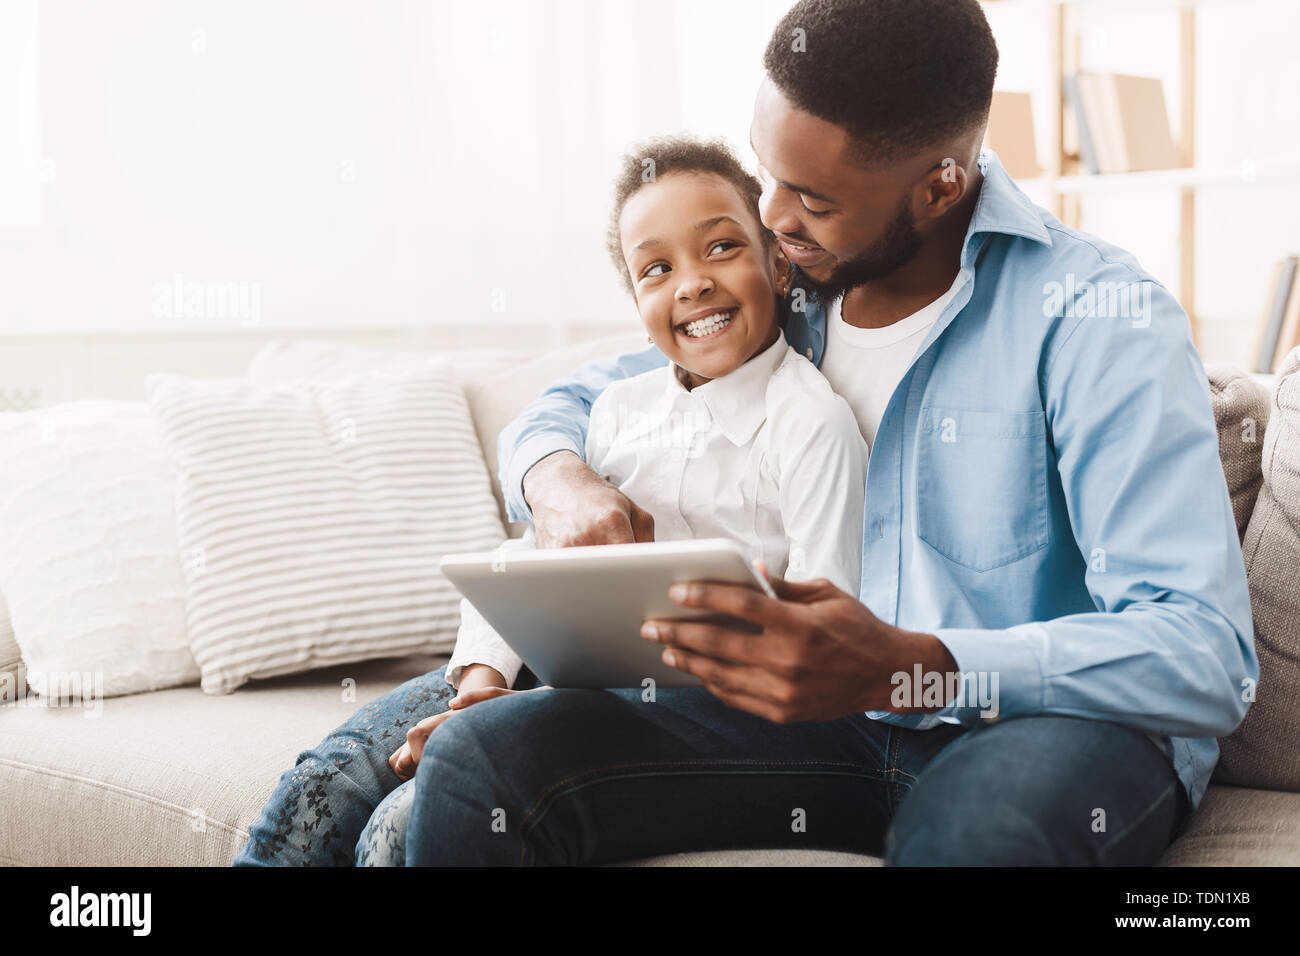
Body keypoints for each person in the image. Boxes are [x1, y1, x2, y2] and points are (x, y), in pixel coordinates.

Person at [399, 0, 1256, 866]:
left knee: (980, 841)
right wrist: (556, 476)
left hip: (1033, 728)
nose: (770, 217)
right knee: (482, 761)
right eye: (767, 173)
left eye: (811, 198)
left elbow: (1204, 652)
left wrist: (912, 665)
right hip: (817, 724)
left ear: (939, 186)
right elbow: (584, 401)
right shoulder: (790, 293)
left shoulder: (1097, 317)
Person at [233, 136, 869, 866]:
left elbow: (829, 632)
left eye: (721, 248)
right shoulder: (618, 411)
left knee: (397, 827)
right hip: (540, 673)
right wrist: (481, 685)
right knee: (328, 781)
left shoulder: (810, 423)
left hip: (675, 717)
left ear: (777, 261)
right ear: (637, 303)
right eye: (657, 269)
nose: (690, 284)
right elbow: (533, 564)